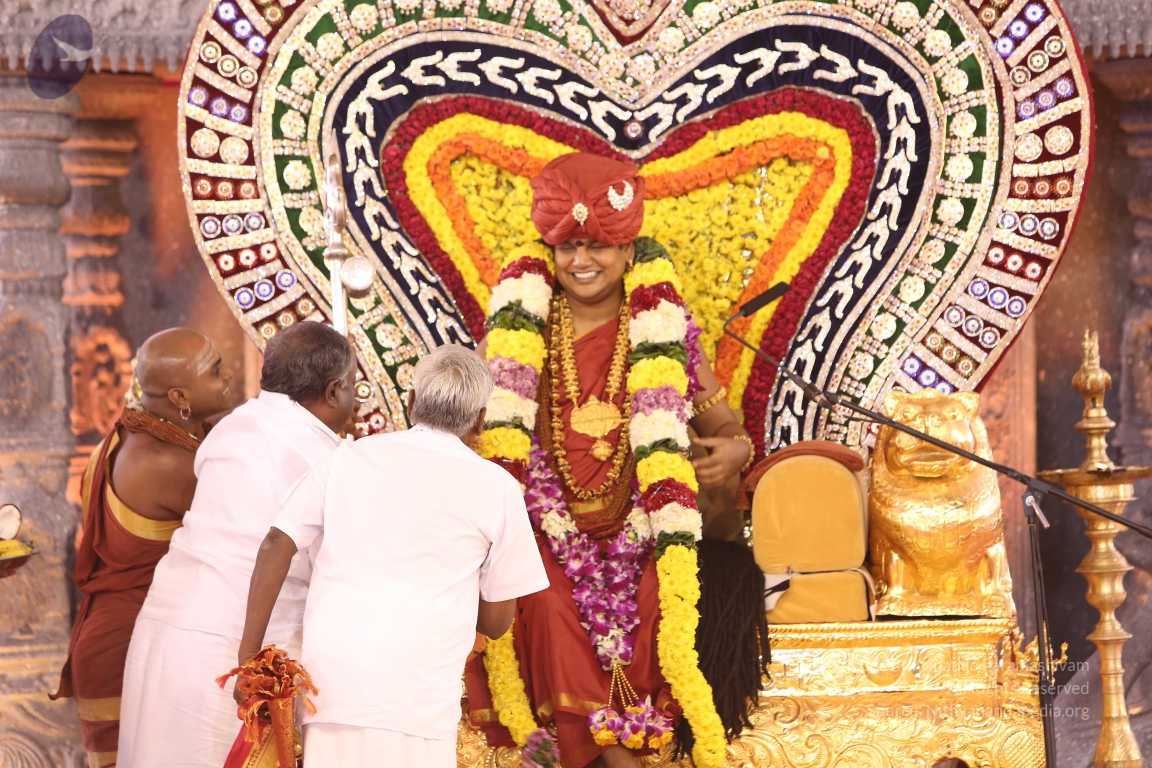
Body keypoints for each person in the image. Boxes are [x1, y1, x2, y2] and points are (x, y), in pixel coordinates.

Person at [465, 153, 767, 768]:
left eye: (598, 246)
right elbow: (477, 432)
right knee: (545, 601)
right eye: (568, 246)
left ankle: (621, 749)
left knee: (658, 598)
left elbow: (724, 426)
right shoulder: (517, 330)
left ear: (629, 250)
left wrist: (737, 449)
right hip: (543, 526)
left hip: (642, 521)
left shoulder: (664, 330)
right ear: (549, 251)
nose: (581, 260)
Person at [237, 344, 549, 768]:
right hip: (418, 700)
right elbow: (495, 623)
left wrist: (248, 660)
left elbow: (276, 543)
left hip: (332, 690)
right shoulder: (498, 488)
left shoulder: (346, 458)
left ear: (412, 401)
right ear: (480, 420)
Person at [116, 321, 359, 768]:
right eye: (353, 388)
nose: (356, 402)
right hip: (236, 657)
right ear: (333, 391)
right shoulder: (326, 461)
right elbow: (340, 572)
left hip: (164, 628)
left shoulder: (233, 425)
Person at [51, 328, 233, 768]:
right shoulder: (163, 460)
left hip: (128, 633)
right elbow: (251, 526)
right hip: (126, 645)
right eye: (215, 371)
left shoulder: (141, 432)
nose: (228, 376)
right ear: (179, 397)